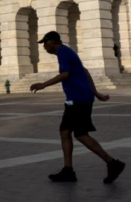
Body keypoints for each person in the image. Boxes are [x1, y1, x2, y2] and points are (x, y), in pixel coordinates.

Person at [29, 31, 125, 184]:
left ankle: (112, 163)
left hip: (78, 100)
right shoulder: (67, 52)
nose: (44, 48)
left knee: (80, 134)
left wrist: (43, 85)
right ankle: (68, 170)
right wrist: (95, 93)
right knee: (65, 131)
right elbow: (85, 72)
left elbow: (65, 74)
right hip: (77, 99)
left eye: (45, 44)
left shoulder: (62, 52)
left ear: (53, 42)